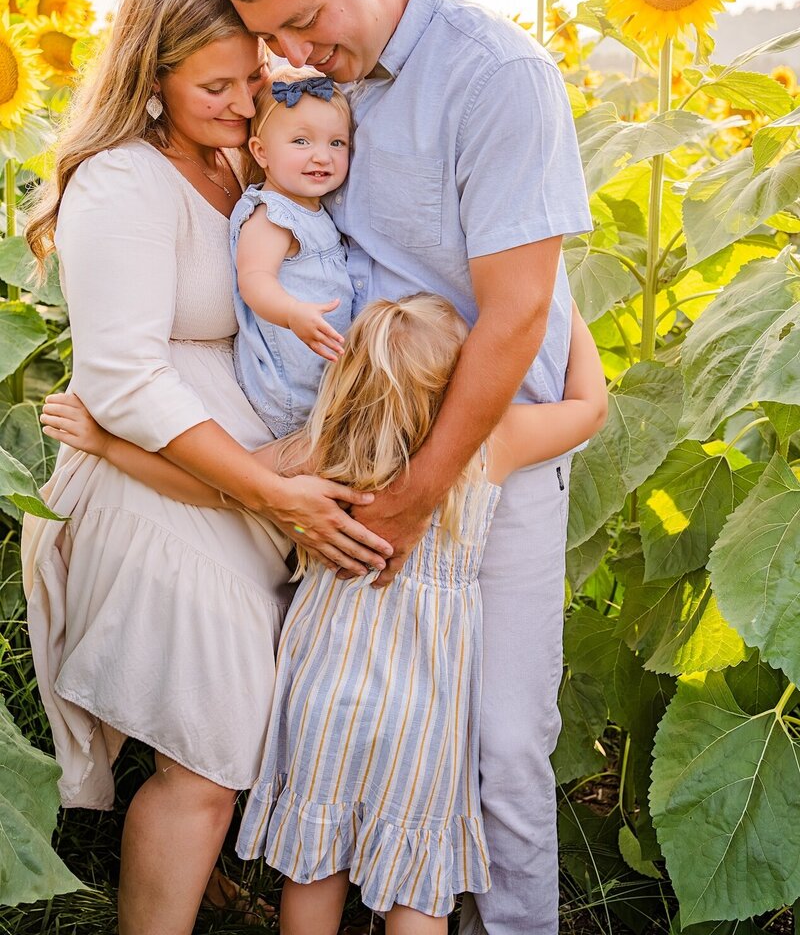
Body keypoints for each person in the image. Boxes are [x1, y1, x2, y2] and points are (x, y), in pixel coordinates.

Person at [212, 0, 594, 935]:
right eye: (274, 38)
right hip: (361, 442)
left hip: (487, 461)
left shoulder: (494, 77)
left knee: (500, 742)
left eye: (304, 23)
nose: (295, 53)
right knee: (360, 724)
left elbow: (517, 312)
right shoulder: (319, 90)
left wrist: (425, 488)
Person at [22, 0, 392, 935]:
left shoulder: (242, 162)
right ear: (151, 79)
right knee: (211, 748)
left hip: (235, 487)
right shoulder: (121, 184)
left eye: (251, 79)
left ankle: (200, 883)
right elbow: (127, 379)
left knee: (228, 726)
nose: (239, 103)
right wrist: (265, 489)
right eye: (213, 86)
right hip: (157, 489)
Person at [41, 293, 607, 935]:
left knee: (315, 863)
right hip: (424, 703)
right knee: (416, 876)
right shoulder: (489, 446)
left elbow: (210, 487)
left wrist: (106, 446)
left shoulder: (323, 448)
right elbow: (590, 407)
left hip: (323, 689)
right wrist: (560, 306)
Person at [230, 64, 354, 439]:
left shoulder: (315, 208)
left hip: (320, 377)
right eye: (301, 142)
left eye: (337, 143)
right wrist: (291, 312)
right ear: (261, 152)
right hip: (288, 388)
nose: (322, 156)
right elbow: (254, 279)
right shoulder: (272, 214)